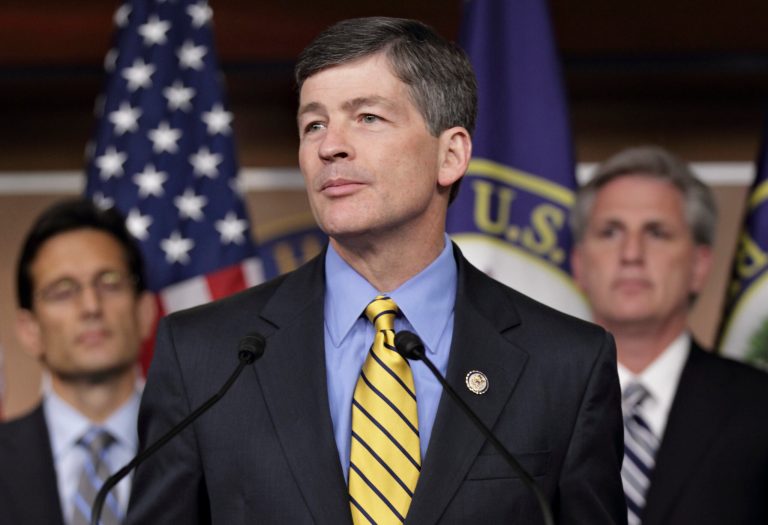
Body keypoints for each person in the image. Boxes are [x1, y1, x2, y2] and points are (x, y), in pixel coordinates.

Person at [126, 17, 626, 524]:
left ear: (450, 155)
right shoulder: (203, 358)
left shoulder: (566, 365)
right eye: (313, 124)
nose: (330, 146)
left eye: (366, 117)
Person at [570, 145, 768, 525]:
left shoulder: (760, 408)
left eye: (656, 233)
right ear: (578, 264)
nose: (631, 253)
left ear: (699, 265)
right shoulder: (526, 407)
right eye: (610, 231)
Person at [0, 199, 156, 525]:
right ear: (30, 330)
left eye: (110, 282)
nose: (90, 306)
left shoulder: (202, 452)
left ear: (145, 312)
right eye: (63, 290)